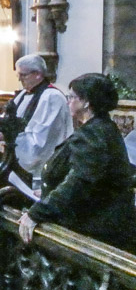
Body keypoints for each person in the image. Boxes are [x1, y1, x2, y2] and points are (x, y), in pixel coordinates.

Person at [18, 73, 136, 252]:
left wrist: (37, 213)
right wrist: (50, 188)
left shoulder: (93, 133)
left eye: (72, 97)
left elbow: (81, 180)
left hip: (93, 229)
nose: (68, 101)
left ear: (86, 102)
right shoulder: (100, 127)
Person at [0, 54, 74, 189]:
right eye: (18, 75)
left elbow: (42, 141)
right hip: (16, 166)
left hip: (40, 173)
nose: (19, 79)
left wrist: (8, 137)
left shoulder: (52, 98)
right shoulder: (23, 95)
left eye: (23, 75)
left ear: (38, 74)